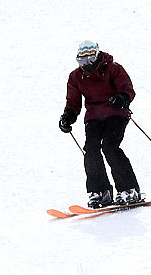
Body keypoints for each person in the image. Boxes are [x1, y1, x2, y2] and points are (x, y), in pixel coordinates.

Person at [59, 40, 141, 208]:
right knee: (91, 150)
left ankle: (129, 189)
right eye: (81, 62)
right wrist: (68, 116)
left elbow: (127, 89)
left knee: (110, 147)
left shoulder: (113, 68)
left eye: (89, 61)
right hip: (94, 117)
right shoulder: (76, 76)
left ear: (96, 57)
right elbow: (73, 102)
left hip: (115, 113)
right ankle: (100, 191)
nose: (86, 65)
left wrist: (122, 98)